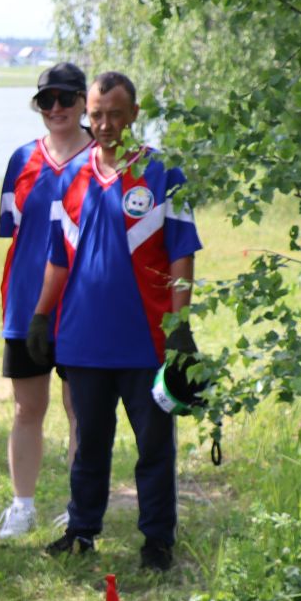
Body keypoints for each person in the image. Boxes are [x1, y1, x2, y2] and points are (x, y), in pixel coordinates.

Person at [31, 71, 201, 570]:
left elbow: (182, 252)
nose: (104, 124)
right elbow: (58, 258)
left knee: (154, 447)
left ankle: (157, 541)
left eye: (115, 114)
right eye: (97, 114)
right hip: (83, 341)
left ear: (134, 114)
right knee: (89, 444)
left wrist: (181, 324)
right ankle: (82, 530)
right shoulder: (71, 177)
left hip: (147, 341)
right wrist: (42, 316)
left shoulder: (163, 172)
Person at [0, 63, 93, 539]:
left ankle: (79, 508)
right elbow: (14, 232)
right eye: (46, 100)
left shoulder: (102, 160)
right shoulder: (22, 160)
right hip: (25, 306)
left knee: (81, 410)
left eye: (66, 98)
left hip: (82, 309)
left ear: (84, 102)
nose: (56, 108)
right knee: (26, 409)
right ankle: (22, 506)